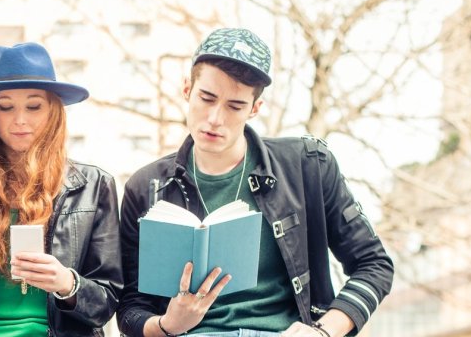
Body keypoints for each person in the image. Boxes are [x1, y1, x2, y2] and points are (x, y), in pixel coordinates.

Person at [117, 28, 394, 337]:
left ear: (255, 109)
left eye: (235, 106)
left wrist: (322, 332)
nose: (215, 118)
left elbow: (374, 265)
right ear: (186, 89)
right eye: (206, 98)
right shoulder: (147, 186)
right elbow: (129, 309)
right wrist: (168, 325)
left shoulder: (308, 165)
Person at [0, 42, 121, 336]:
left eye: (33, 106)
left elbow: (107, 302)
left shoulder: (94, 185)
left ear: (53, 111)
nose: (20, 120)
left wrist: (66, 283)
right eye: (6, 107)